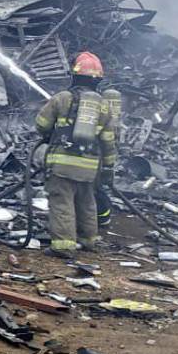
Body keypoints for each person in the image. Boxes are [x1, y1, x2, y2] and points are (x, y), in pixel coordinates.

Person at [34, 51, 117, 258]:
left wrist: (51, 133)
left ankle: (63, 246)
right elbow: (108, 140)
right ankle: (88, 239)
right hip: (90, 166)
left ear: (75, 76)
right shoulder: (104, 106)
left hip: (62, 163)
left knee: (62, 201)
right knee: (87, 202)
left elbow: (42, 124)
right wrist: (108, 167)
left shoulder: (62, 98)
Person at [95, 88, 122, 228]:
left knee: (95, 188)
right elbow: (111, 143)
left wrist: (107, 165)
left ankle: (102, 216)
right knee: (97, 187)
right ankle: (102, 215)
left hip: (94, 156)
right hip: (100, 157)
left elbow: (106, 140)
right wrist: (109, 164)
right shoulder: (115, 122)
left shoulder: (101, 114)